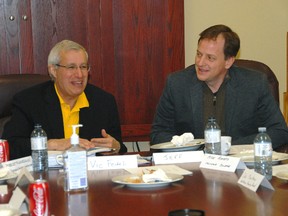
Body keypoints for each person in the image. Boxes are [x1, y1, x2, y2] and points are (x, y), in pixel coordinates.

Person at [150, 24, 288, 149]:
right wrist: (191, 147)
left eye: (210, 58)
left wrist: (228, 147)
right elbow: (159, 134)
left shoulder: (254, 84)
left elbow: (279, 131)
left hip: (241, 167)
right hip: (193, 167)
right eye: (199, 54)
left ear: (228, 61)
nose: (200, 62)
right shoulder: (177, 84)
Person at [2, 40, 127, 159]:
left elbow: (119, 146)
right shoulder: (29, 101)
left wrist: (115, 147)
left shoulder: (104, 101)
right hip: (46, 176)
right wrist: (51, 144)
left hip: (91, 177)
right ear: (53, 71)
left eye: (83, 67)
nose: (79, 74)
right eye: (71, 67)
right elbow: (10, 146)